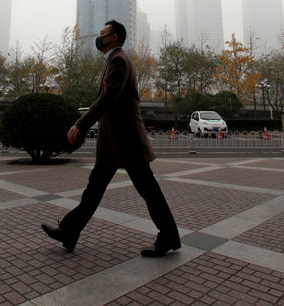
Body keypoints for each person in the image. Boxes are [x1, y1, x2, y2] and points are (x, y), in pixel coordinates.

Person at [41, 20, 181, 257]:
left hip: (127, 141)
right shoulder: (114, 60)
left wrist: (80, 124)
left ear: (114, 38)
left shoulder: (118, 60)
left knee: (148, 191)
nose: (99, 37)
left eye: (103, 34)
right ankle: (69, 231)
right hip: (117, 142)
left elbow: (107, 98)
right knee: (95, 189)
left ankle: (168, 236)